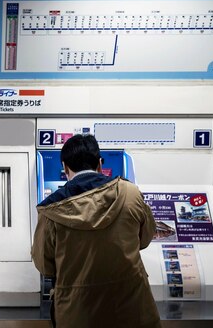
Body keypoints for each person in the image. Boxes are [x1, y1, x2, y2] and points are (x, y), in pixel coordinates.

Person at [32, 134, 161, 328]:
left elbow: (45, 265)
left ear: (65, 167)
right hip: (132, 311)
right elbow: (145, 238)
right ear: (100, 164)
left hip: (77, 314)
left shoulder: (51, 210)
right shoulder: (130, 194)